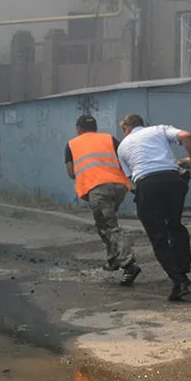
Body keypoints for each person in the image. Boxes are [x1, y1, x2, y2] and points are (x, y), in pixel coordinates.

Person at [116, 113, 191, 301]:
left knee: (158, 237)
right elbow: (186, 136)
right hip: (173, 180)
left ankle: (179, 281)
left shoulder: (122, 146)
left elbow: (131, 177)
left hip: (147, 185)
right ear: (142, 124)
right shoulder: (159, 129)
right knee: (175, 225)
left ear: (126, 128)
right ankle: (184, 271)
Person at [65, 114, 141, 285]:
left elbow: (71, 174)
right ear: (95, 128)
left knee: (109, 228)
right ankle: (113, 259)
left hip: (98, 189)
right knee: (103, 225)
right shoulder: (110, 139)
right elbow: (125, 158)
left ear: (79, 129)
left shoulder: (72, 144)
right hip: (119, 187)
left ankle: (129, 265)